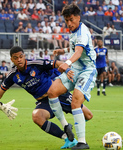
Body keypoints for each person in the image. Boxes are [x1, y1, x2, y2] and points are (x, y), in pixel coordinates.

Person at [0, 46, 93, 149]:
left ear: (24, 56)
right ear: (12, 60)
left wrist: (67, 69)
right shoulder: (13, 75)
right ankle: (68, 138)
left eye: (21, 56)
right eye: (16, 58)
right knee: (37, 116)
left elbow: (55, 63)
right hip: (43, 102)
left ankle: (72, 126)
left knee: (88, 115)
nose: (19, 59)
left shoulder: (35, 64)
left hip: (58, 95)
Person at [46, 4, 97, 149]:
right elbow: (73, 48)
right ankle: (66, 126)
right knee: (52, 92)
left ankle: (82, 142)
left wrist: (66, 63)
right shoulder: (73, 31)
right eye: (66, 20)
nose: (69, 23)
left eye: (71, 20)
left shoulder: (83, 32)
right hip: (75, 68)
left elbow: (79, 52)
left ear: (78, 18)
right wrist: (62, 50)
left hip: (87, 70)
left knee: (75, 101)